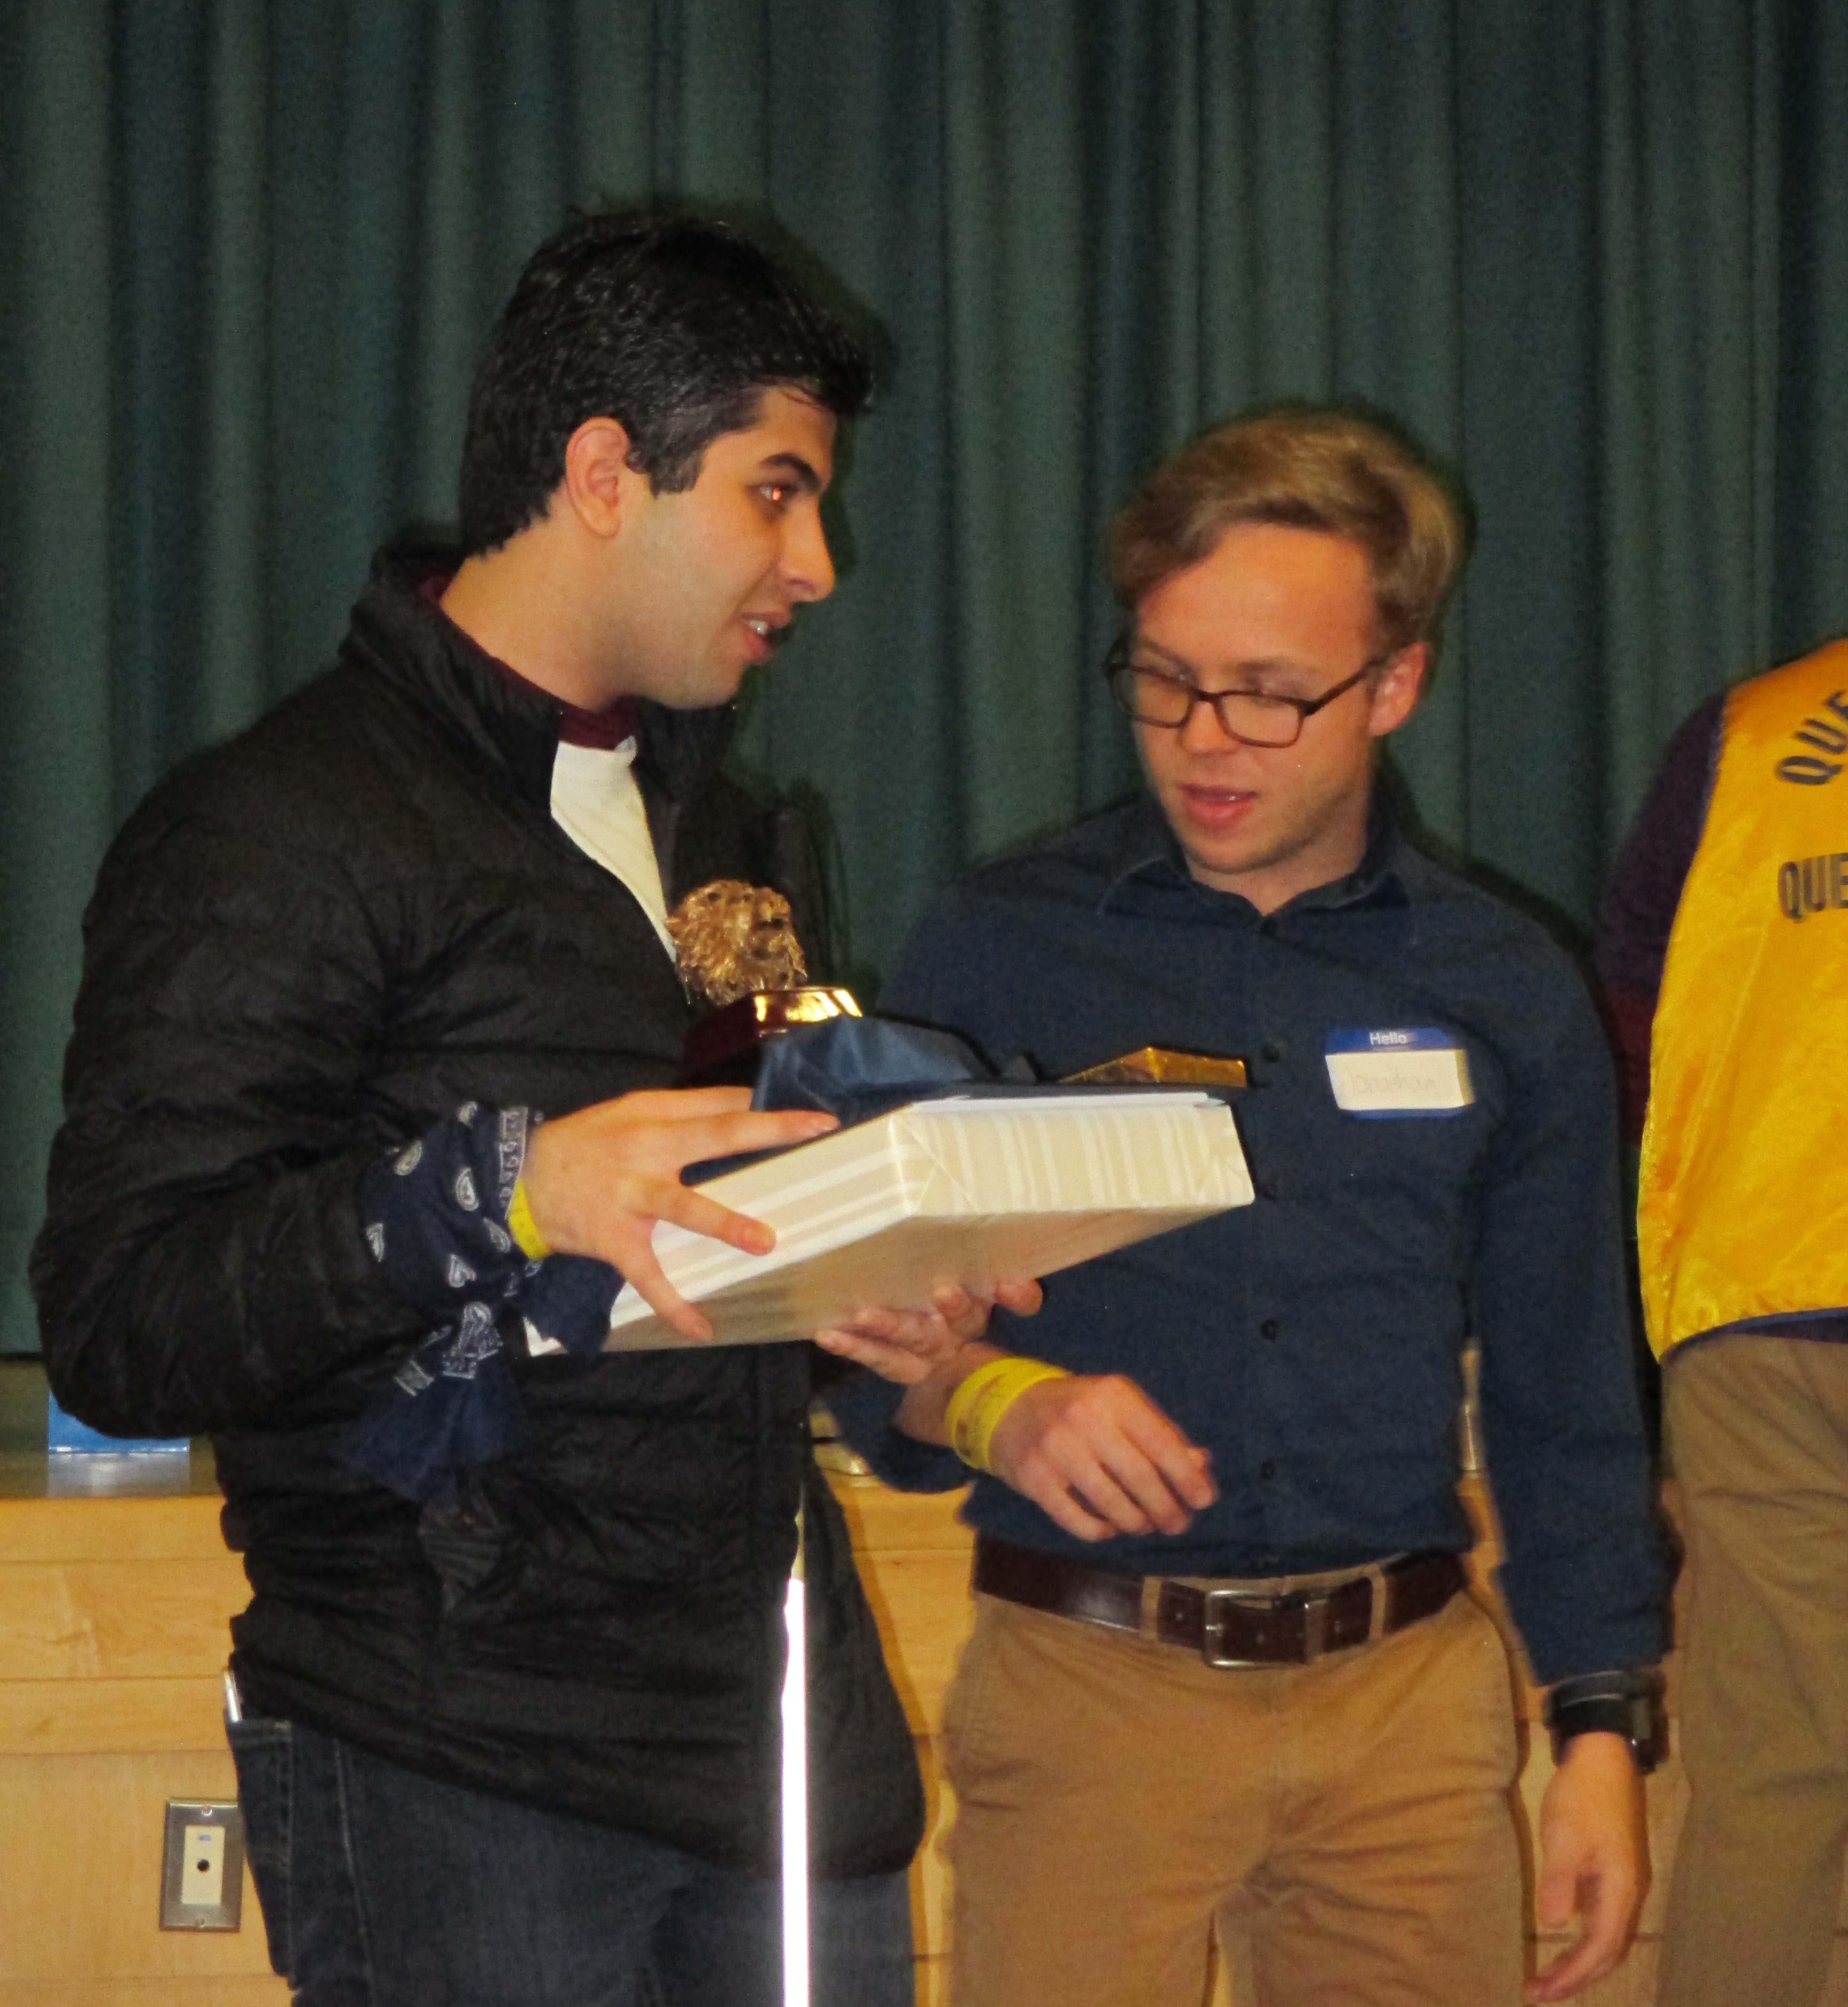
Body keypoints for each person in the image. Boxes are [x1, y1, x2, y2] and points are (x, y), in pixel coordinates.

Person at [32, 210, 943, 2007]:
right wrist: (494, 1186)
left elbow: (674, 1270)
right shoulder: (281, 825)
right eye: (774, 492)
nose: (817, 561)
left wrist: (856, 1304)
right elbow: (123, 1316)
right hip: (453, 1761)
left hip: (769, 1735)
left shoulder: (730, 834)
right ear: (605, 473)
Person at [826, 408, 1668, 2007]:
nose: (1208, 736)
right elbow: (865, 1352)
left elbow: (1571, 1397)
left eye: (1275, 696)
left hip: (1409, 1716)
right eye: (1165, 679)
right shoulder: (999, 951)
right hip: (1091, 1693)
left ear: (1396, 685)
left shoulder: (1507, 985)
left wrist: (1603, 1728)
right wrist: (997, 1398)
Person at [1597, 641, 1848, 2007]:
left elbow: (1635, 1005)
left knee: (1771, 1775)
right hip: (1758, 1299)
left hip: (1762, 1298)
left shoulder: (1754, 729)